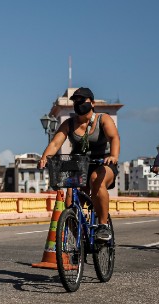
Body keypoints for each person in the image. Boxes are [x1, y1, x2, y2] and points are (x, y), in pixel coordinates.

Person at [38, 87, 120, 241]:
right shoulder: (69, 123)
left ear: (92, 103)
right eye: (75, 101)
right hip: (79, 165)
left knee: (96, 179)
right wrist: (44, 158)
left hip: (102, 162)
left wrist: (113, 156)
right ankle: (79, 243)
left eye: (82, 101)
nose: (78, 104)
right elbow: (55, 144)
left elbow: (114, 138)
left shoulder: (103, 119)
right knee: (71, 204)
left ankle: (103, 226)